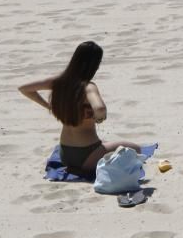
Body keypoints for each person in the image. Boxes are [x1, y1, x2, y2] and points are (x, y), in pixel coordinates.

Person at [18, 41, 142, 176]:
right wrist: (100, 117)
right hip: (89, 156)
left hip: (65, 155)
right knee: (136, 149)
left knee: (108, 145)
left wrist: (48, 106)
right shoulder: (88, 87)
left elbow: (24, 88)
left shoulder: (58, 82)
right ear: (94, 65)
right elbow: (100, 108)